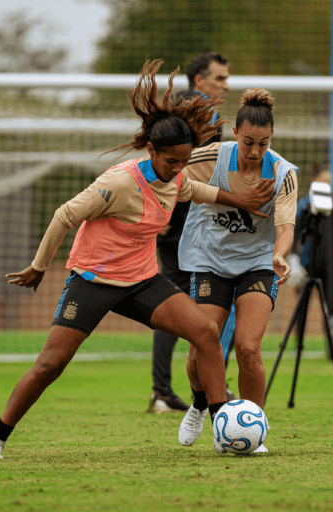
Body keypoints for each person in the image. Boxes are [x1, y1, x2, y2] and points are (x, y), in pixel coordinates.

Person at [0, 59, 276, 459]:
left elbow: (199, 191)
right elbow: (64, 215)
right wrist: (39, 265)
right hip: (94, 281)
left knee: (206, 333)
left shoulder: (176, 177)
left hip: (142, 282)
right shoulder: (118, 183)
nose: (178, 170)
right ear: (151, 150)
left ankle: (219, 421)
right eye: (171, 162)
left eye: (184, 162)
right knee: (50, 364)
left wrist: (242, 200)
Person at [176, 88, 298, 454]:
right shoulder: (211, 156)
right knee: (201, 348)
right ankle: (200, 404)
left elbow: (286, 225)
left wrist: (280, 255)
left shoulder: (283, 173)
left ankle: (251, 427)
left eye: (264, 143)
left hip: (258, 263)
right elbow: (174, 181)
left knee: (247, 347)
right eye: (248, 143)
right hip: (209, 260)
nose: (256, 151)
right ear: (235, 134)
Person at [148, 52, 233, 413]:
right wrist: (165, 209)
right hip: (184, 223)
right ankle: (204, 386)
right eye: (219, 78)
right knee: (200, 301)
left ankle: (166, 390)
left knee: (181, 303)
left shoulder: (192, 109)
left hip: (185, 220)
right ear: (199, 80)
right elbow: (181, 166)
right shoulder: (196, 109)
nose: (225, 86)